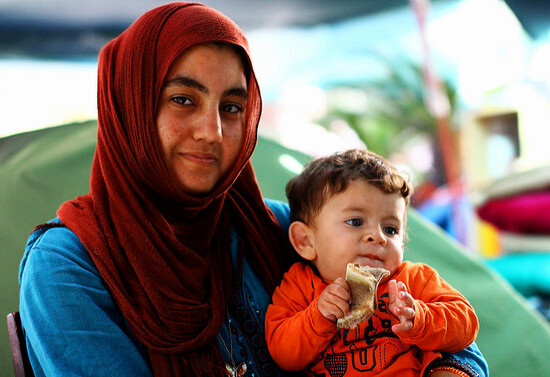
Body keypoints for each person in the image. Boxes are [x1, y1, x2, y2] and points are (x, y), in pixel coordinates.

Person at [18, 3, 488, 377]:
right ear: (131, 107)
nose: (214, 132)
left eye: (232, 107)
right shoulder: (68, 264)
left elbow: (459, 341)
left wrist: (449, 369)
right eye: (183, 99)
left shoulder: (276, 227)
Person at [265, 149, 481, 377]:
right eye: (355, 221)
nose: (378, 237)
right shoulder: (299, 284)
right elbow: (282, 353)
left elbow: (466, 323)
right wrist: (318, 316)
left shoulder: (413, 280)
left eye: (391, 229)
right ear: (306, 241)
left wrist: (419, 317)